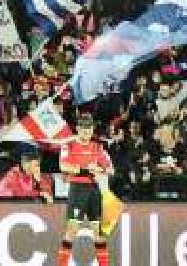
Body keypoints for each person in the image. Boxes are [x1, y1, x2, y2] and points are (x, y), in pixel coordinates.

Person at [58, 113, 113, 266]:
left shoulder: (98, 146)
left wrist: (99, 170)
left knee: (99, 233)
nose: (86, 131)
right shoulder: (68, 145)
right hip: (78, 190)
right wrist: (87, 170)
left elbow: (110, 169)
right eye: (83, 128)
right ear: (77, 129)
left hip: (95, 190)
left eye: (89, 128)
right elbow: (63, 166)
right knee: (72, 229)